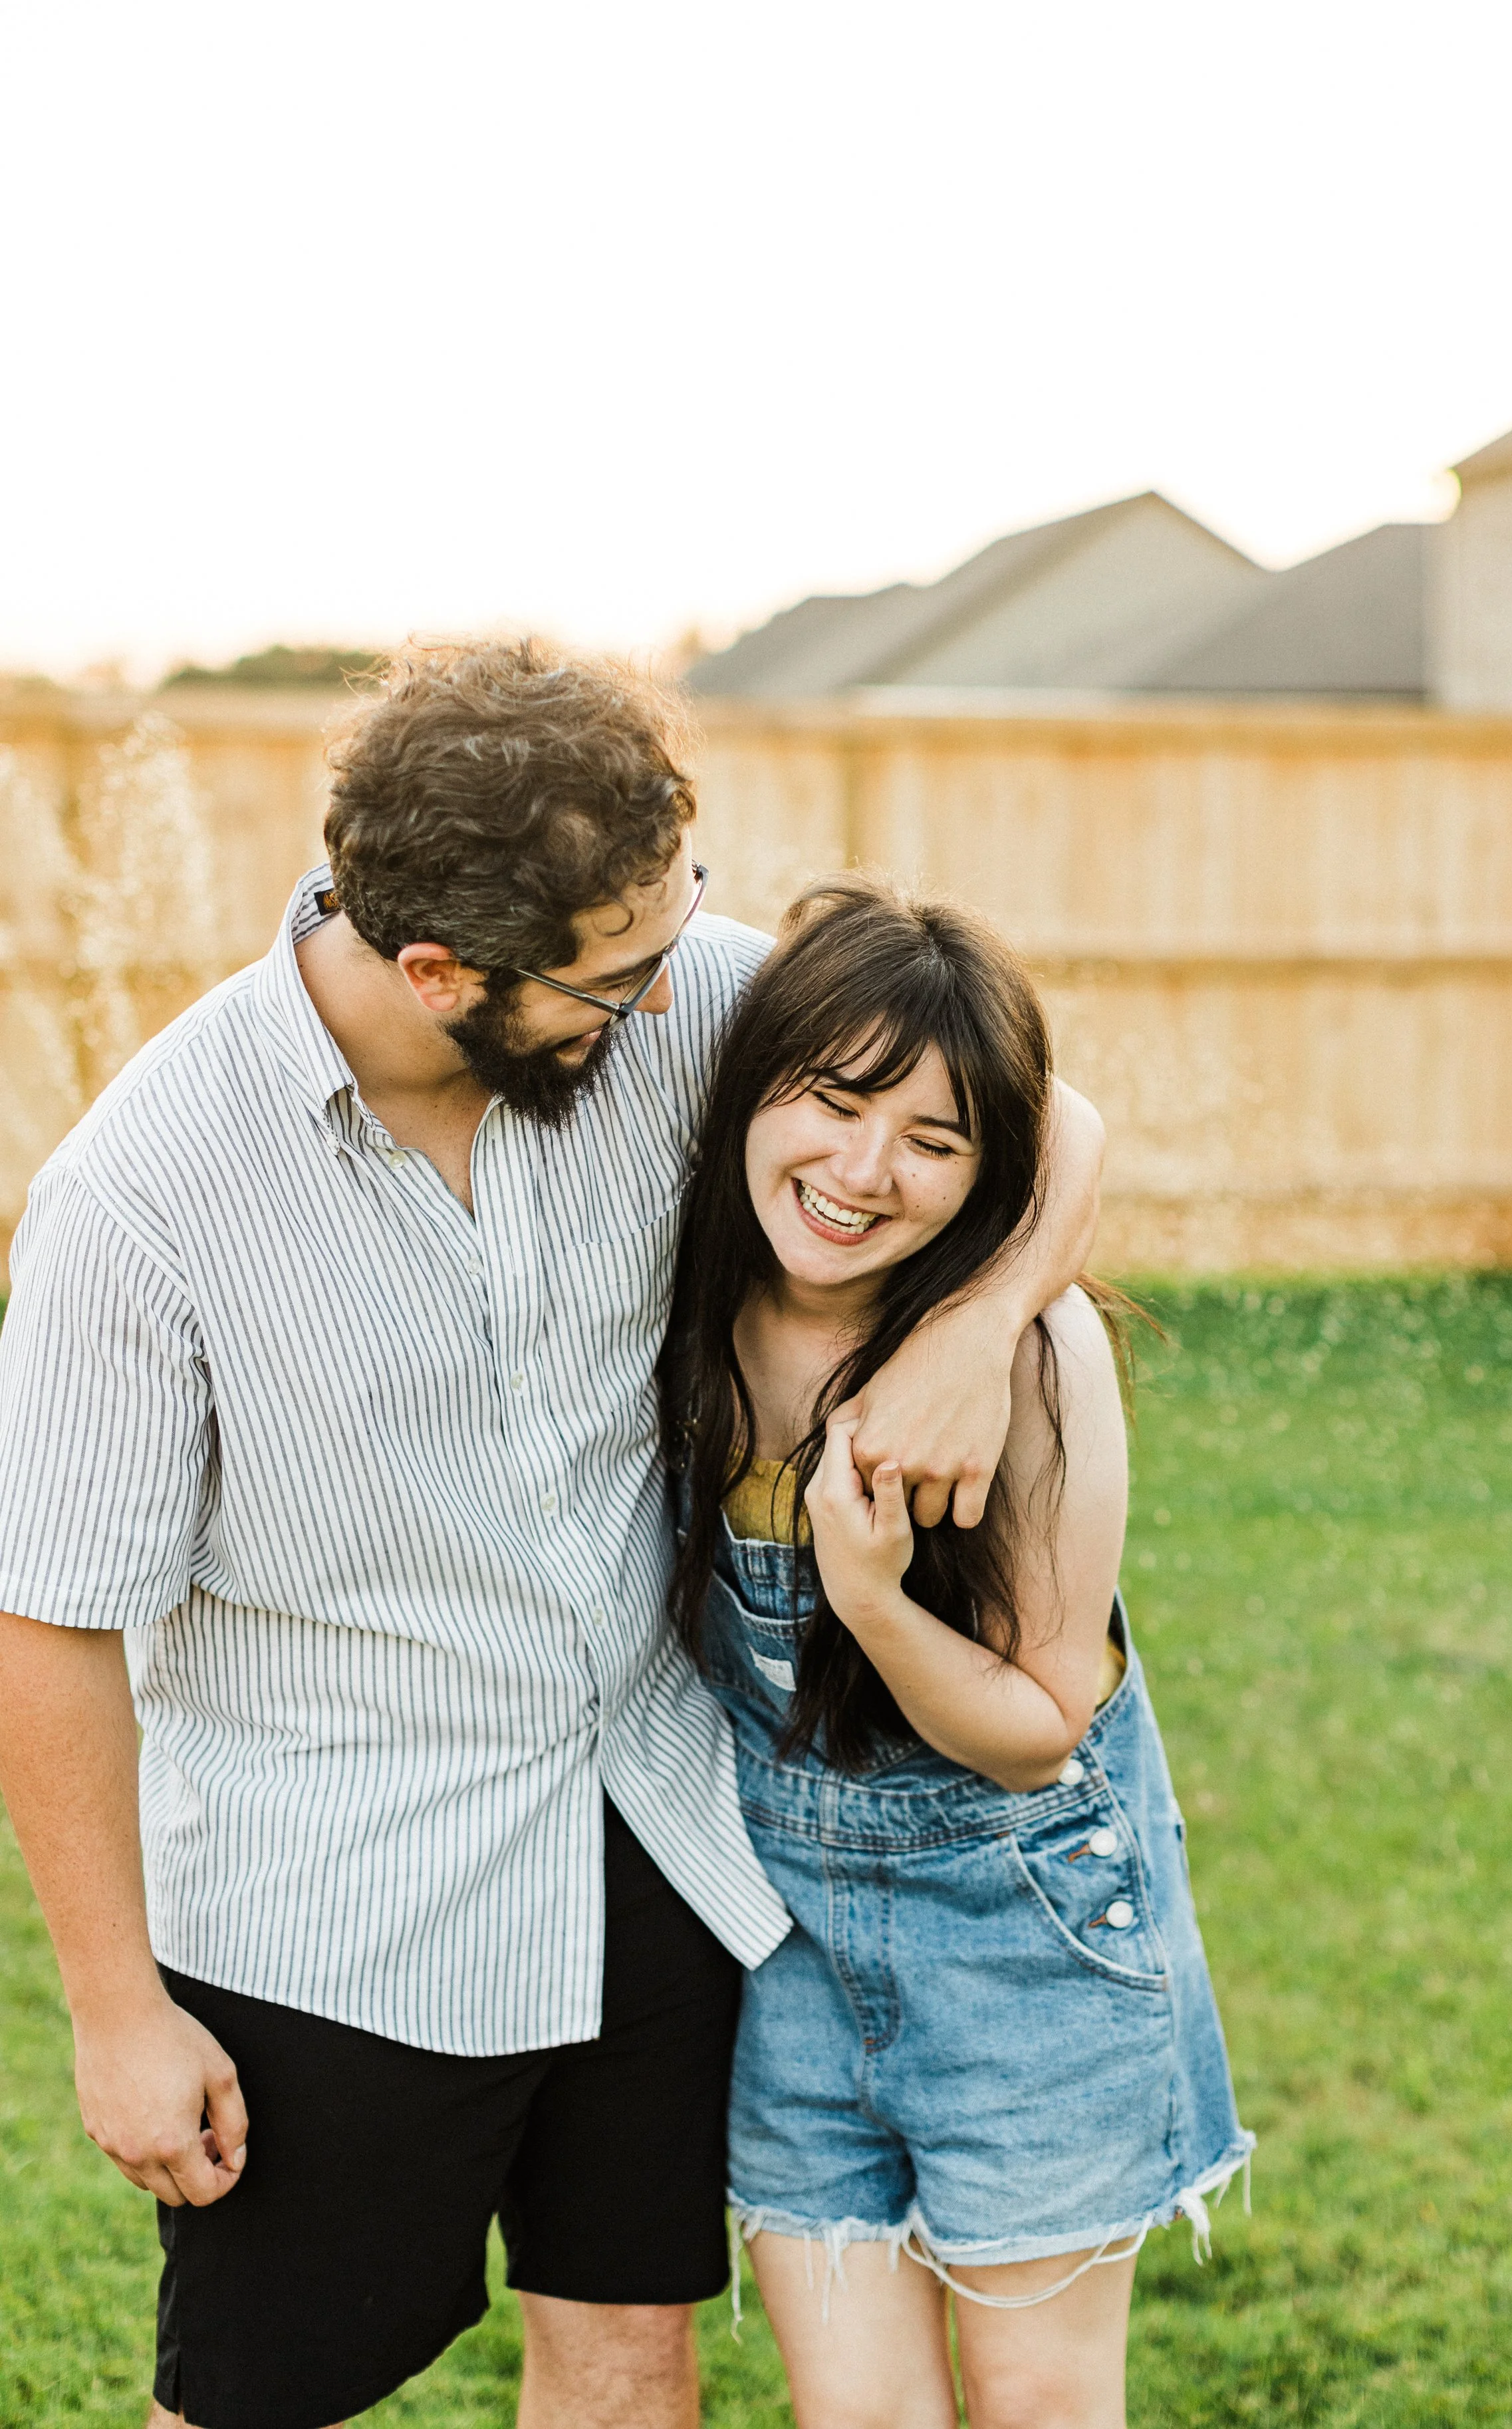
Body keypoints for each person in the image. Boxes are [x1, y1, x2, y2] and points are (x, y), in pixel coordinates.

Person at [0, 644, 1106, 2429]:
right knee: (257, 2395)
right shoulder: (142, 1200)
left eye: (680, 931)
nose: (680, 998)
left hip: (647, 1829)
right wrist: (116, 2008)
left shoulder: (674, 996)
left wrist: (981, 1335)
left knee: (624, 2350)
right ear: (438, 971)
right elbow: (48, 1617)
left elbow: (1048, 1115)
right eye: (625, 971)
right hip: (338, 1906)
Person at [664, 875, 1251, 2429]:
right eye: (837, 1105)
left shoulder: (1034, 1361)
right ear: (750, 1084)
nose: (865, 1172)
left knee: (1036, 2405)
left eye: (935, 1142)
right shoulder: (691, 1285)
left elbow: (1039, 1725)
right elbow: (1059, 1107)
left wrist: (870, 1599)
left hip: (1027, 1950)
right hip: (788, 1948)